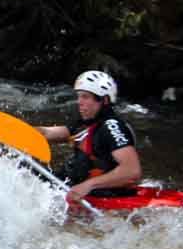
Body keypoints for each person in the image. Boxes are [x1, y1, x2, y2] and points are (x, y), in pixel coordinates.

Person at [37, 70, 142, 203]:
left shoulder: (112, 127)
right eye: (79, 96)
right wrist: (19, 131)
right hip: (68, 184)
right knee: (23, 167)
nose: (79, 102)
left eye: (85, 97)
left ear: (104, 100)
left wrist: (88, 185)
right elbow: (46, 133)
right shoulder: (86, 124)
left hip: (100, 195)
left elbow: (132, 171)